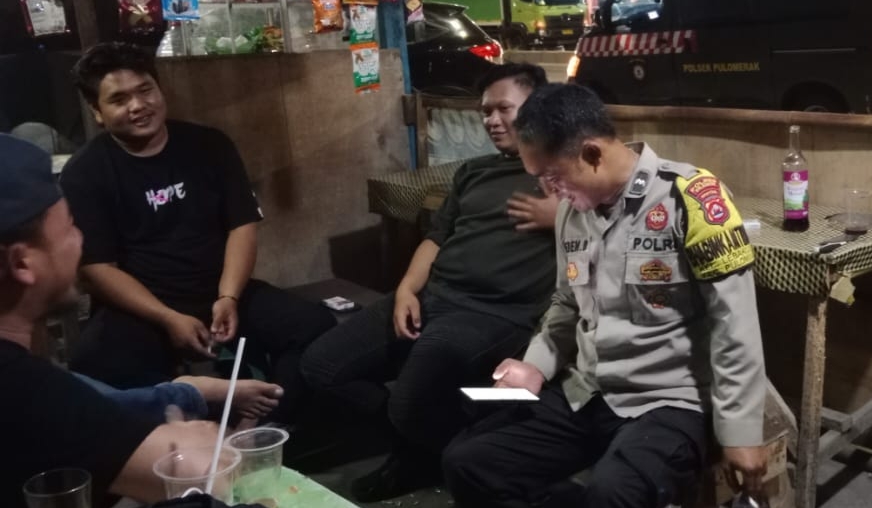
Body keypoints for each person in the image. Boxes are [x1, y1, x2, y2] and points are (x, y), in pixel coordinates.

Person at [442, 83, 769, 508]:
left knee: (613, 493)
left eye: (553, 177)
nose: (549, 191)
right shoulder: (572, 212)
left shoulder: (690, 199)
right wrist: (535, 364)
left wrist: (741, 431)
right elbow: (566, 303)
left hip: (668, 400)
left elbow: (734, 322)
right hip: (587, 390)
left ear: (592, 154)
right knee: (468, 461)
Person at [299, 63, 557, 502]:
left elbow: (609, 220)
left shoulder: (562, 175)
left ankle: (425, 449)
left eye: (504, 109)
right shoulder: (474, 171)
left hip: (494, 315)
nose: (492, 121)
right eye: (486, 111)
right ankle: (421, 442)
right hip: (434, 295)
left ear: (538, 108)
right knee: (321, 367)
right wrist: (405, 290)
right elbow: (437, 237)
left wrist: (561, 216)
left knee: (411, 400)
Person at [58, 42, 336, 424]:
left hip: (219, 291)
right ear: (97, 112)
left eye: (145, 90)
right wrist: (168, 317)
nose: (138, 105)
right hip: (145, 306)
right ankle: (202, 412)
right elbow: (97, 269)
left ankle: (263, 422)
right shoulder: (84, 172)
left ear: (160, 90)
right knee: (94, 363)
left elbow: (241, 226)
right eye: (119, 99)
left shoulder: (209, 145)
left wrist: (228, 296)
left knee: (313, 327)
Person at [0, 133, 225, 508]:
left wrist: (189, 391)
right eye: (70, 227)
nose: (80, 239)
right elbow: (198, 473)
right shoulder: (24, 392)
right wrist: (200, 448)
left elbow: (96, 407)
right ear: (22, 263)